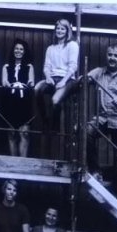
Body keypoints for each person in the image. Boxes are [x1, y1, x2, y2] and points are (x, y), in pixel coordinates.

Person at [83, 45, 117, 190]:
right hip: (103, 117)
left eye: (116, 56)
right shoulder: (99, 72)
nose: (112, 58)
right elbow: (84, 79)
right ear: (106, 56)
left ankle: (115, 193)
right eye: (110, 55)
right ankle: (95, 170)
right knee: (86, 131)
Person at [34, 19, 80, 158]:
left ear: (67, 31)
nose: (59, 31)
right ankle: (46, 120)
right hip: (52, 78)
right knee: (37, 90)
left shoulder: (72, 45)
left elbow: (73, 66)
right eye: (58, 28)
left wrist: (64, 81)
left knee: (55, 100)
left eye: (62, 29)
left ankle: (54, 127)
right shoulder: (51, 48)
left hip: (68, 80)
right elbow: (46, 66)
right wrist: (47, 77)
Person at [0, 40, 36, 157]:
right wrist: (6, 83)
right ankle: (13, 162)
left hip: (24, 102)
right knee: (11, 133)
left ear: (24, 52)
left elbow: (31, 82)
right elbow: (4, 81)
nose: (18, 51)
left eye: (21, 49)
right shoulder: (6, 66)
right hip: (10, 101)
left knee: (24, 133)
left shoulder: (29, 66)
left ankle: (23, 162)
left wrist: (29, 83)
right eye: (16, 49)